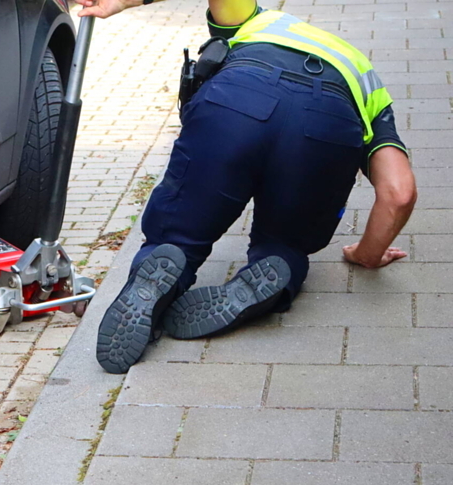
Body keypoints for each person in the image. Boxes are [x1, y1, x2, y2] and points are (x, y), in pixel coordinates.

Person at [82, 0, 418, 374]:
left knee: (177, 236)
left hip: (238, 101)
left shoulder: (260, 22)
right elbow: (399, 193)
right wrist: (368, 255)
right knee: (284, 244)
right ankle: (269, 276)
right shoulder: (366, 76)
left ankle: (159, 272)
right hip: (328, 124)